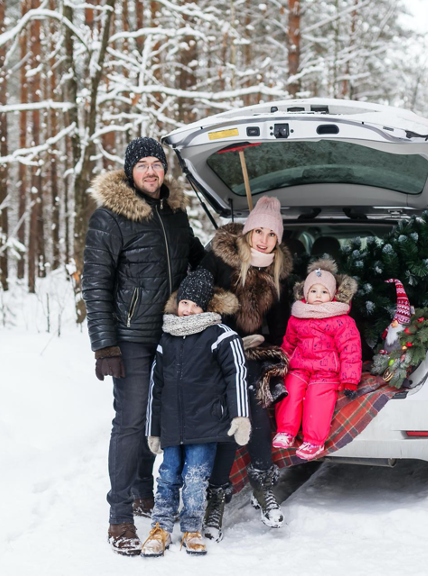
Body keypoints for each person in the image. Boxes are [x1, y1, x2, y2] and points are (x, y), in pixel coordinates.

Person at [82, 137, 205, 556]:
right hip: (130, 336)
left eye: (158, 163)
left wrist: (198, 285)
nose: (152, 171)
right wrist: (105, 347)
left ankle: (142, 489)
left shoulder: (174, 215)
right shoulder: (110, 217)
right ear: (130, 171)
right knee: (131, 421)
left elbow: (199, 262)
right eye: (143, 165)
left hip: (171, 333)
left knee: (158, 419)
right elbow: (95, 285)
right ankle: (119, 516)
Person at [199, 196, 293, 539]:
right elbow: (198, 302)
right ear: (249, 230)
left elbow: (281, 327)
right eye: (259, 231)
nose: (264, 239)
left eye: (272, 234)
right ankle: (216, 500)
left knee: (252, 405)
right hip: (217, 349)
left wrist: (277, 350)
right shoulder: (221, 260)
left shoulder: (277, 272)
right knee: (230, 411)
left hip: (254, 353)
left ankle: (263, 486)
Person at [141, 268, 251, 557]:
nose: (188, 309)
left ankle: (192, 527)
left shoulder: (220, 336)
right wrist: (153, 429)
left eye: (195, 304)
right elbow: (157, 385)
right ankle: (161, 527)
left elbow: (236, 374)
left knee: (196, 477)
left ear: (206, 307)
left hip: (205, 423)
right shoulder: (167, 337)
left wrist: (240, 416)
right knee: (167, 475)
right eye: (184, 303)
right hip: (173, 425)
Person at [274, 259, 363, 460]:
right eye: (314, 291)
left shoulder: (341, 320)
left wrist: (349, 379)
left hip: (327, 371)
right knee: (291, 389)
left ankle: (313, 441)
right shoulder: (297, 317)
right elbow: (289, 343)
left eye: (324, 292)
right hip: (300, 368)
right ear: (305, 293)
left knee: (318, 397)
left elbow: (351, 350)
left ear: (332, 295)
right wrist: (281, 364)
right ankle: (286, 431)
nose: (318, 296)